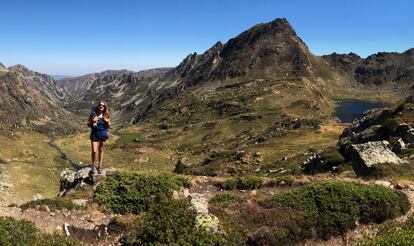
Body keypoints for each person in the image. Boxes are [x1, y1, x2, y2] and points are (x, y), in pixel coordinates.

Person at [87, 101, 111, 174]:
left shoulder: (106, 115)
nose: (101, 106)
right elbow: (88, 124)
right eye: (100, 105)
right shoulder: (93, 114)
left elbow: (109, 126)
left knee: (100, 149)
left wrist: (107, 121)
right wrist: (92, 121)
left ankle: (99, 166)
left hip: (102, 133)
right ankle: (93, 165)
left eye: (103, 106)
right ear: (98, 106)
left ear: (105, 107)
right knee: (94, 151)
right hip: (94, 133)